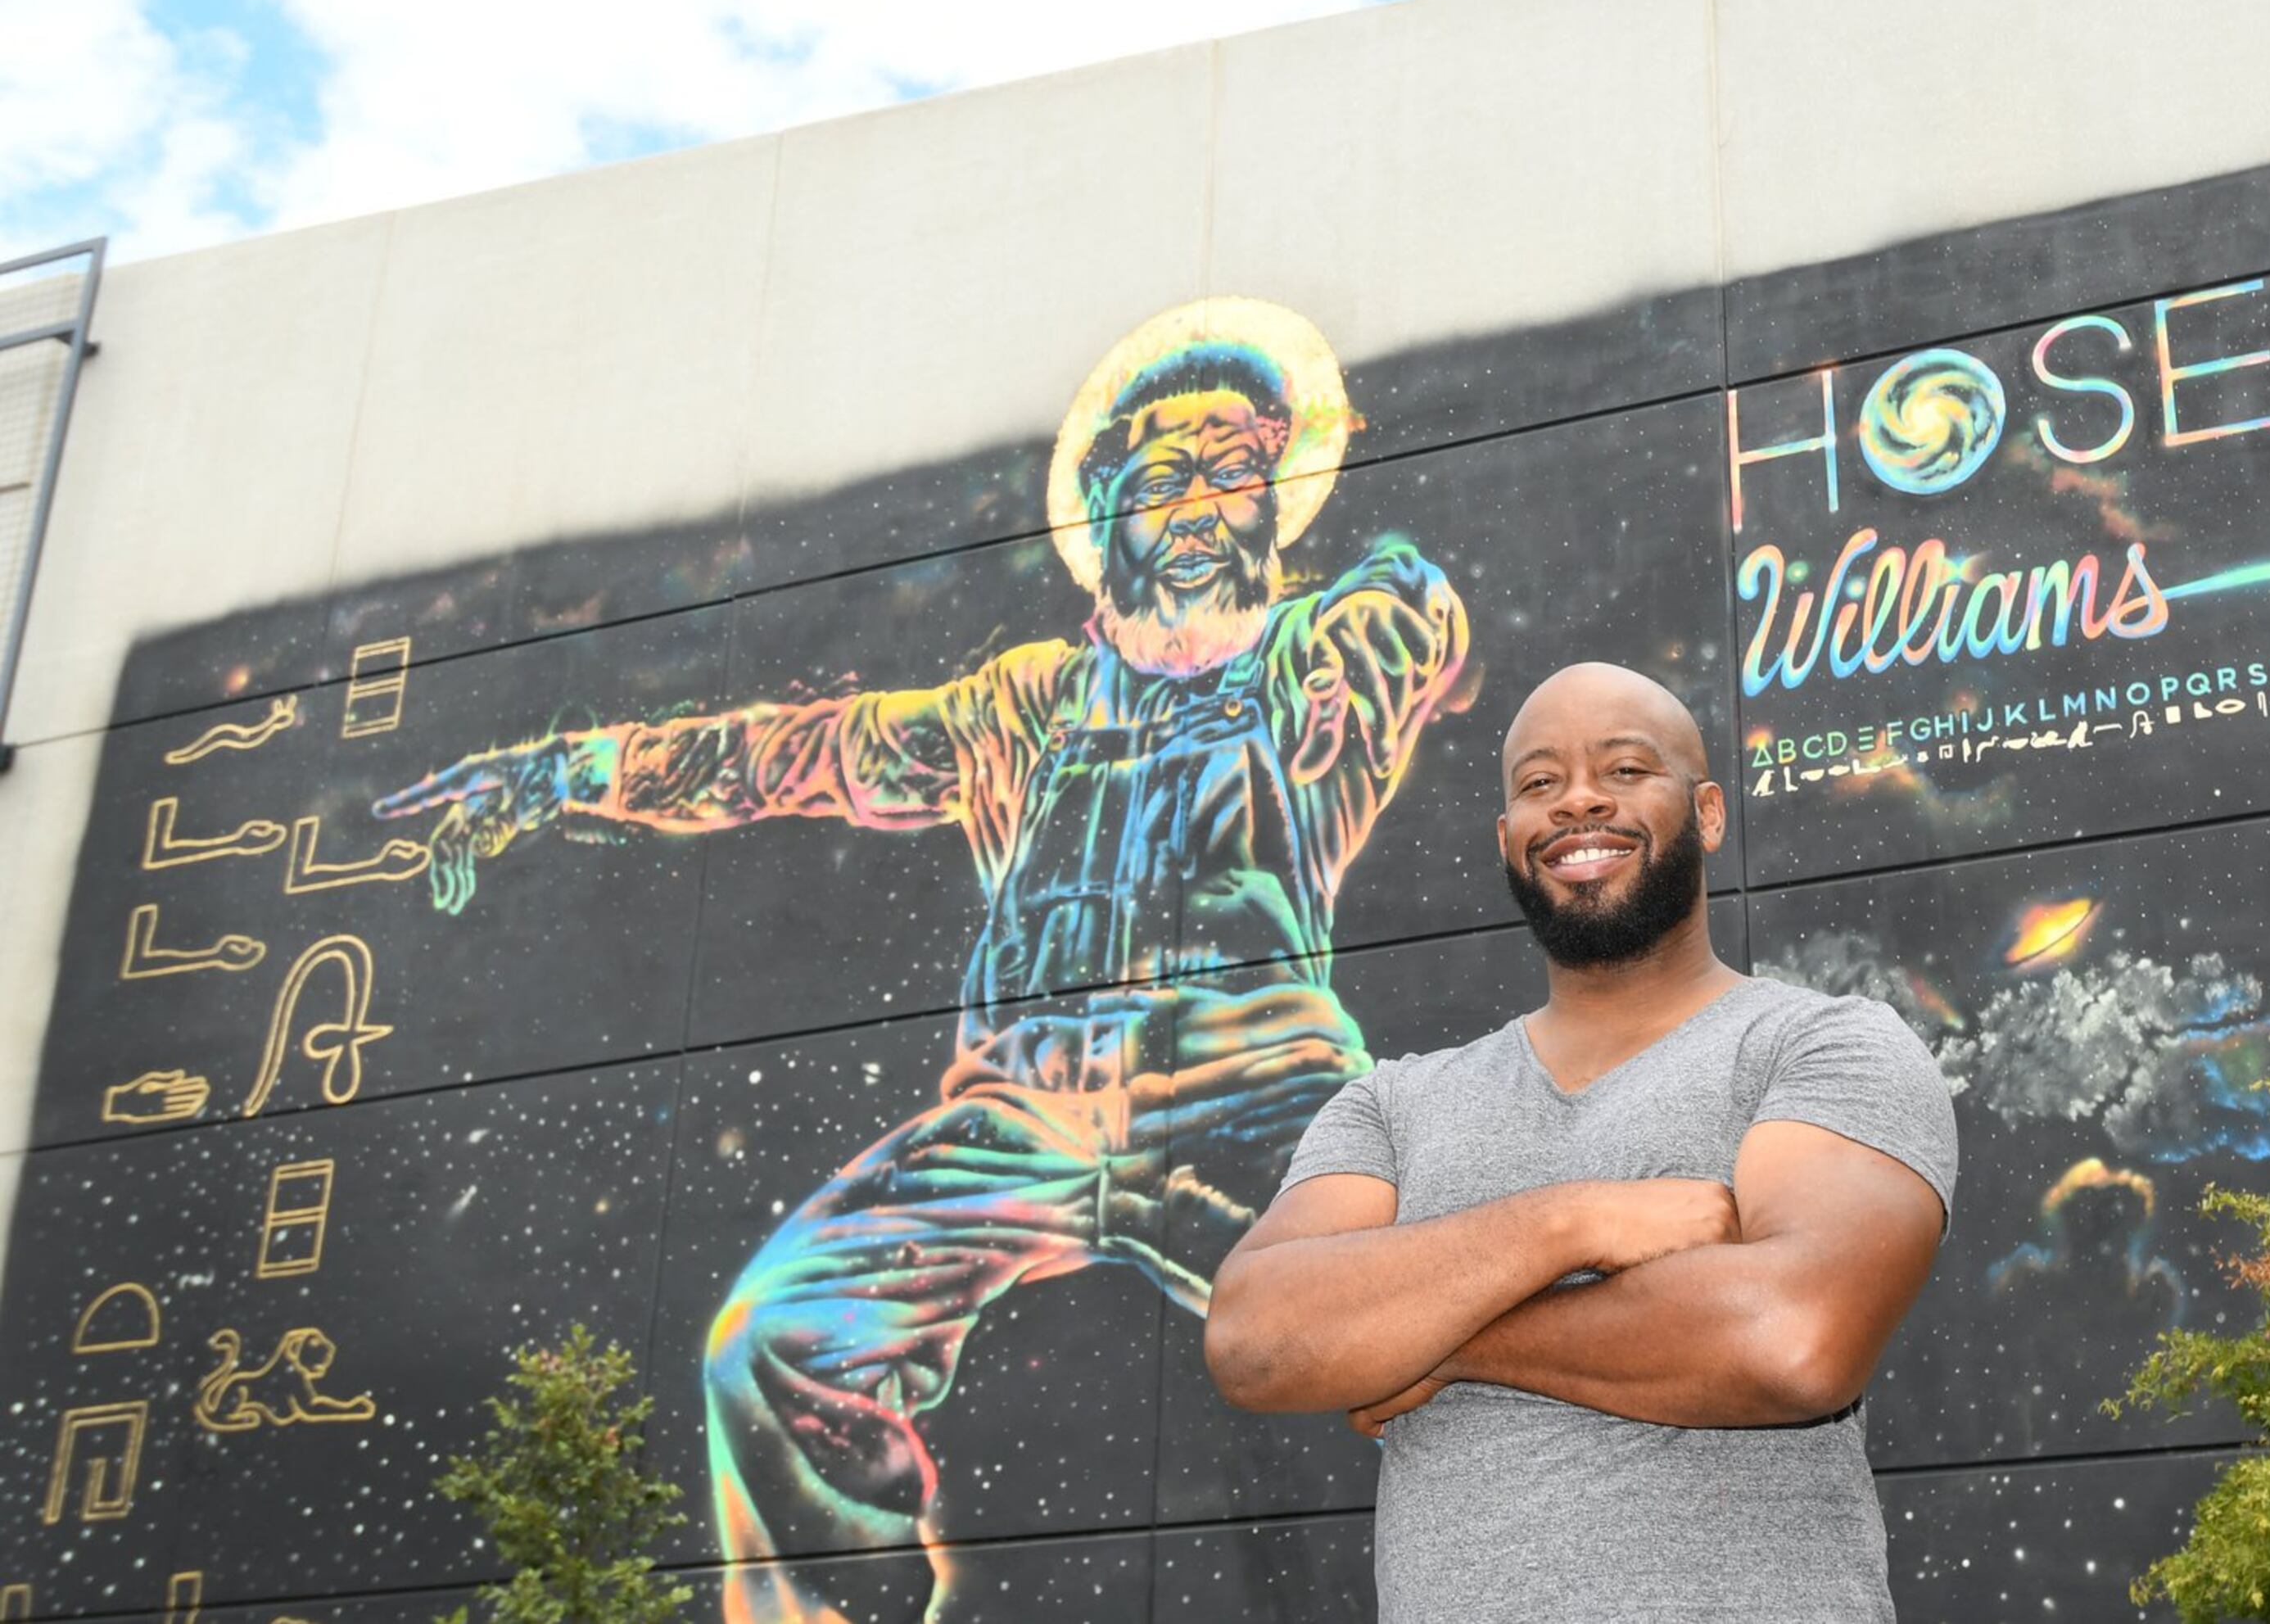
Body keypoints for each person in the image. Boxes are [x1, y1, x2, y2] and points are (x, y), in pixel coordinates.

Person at [370, 298, 1471, 1624]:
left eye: (1236, 468)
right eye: (1165, 474)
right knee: (771, 1341)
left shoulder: (1316, 663)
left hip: (1259, 1092)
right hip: (1014, 1119)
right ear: (1107, 510)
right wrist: (557, 773)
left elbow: (1411, 611)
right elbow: (787, 751)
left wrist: (1371, 612)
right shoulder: (1015, 704)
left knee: (1439, 1338)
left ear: (1277, 499)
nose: (1200, 500)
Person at [1204, 661, 1956, 1622]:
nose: (1580, 802)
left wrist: (1439, 1341)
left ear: (1710, 814)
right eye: (1539, 784)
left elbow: (1794, 1339)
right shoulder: (1392, 1105)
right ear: (1508, 839)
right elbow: (1254, 1340)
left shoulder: (1821, 1046)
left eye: (1628, 770)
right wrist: (1573, 1223)